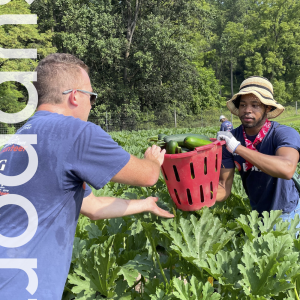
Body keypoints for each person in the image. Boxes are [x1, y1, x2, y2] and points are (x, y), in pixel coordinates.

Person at [0, 53, 173, 299]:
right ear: (74, 96)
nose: (92, 104)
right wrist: (153, 161)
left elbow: (93, 208)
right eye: (91, 96)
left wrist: (145, 204)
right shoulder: (74, 132)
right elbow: (147, 176)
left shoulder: (18, 139)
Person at [216, 76, 300, 222]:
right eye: (243, 105)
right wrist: (196, 197)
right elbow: (223, 187)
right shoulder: (231, 138)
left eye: (255, 105)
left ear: (267, 108)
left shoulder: (283, 134)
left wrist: (238, 148)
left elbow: (287, 169)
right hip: (256, 213)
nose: (247, 110)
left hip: (286, 214)